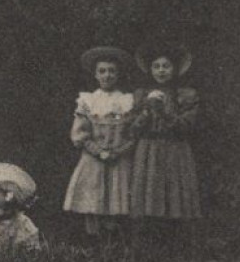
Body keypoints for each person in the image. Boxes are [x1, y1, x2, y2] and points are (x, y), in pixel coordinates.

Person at [128, 44, 203, 240]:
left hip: (175, 149)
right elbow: (132, 128)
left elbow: (187, 126)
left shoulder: (185, 95)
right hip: (148, 149)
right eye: (156, 66)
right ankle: (148, 243)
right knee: (148, 192)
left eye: (166, 66)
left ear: (175, 69)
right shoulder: (140, 95)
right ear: (150, 70)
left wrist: (163, 113)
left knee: (175, 192)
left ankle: (176, 242)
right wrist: (146, 110)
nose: (161, 70)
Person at [63, 46, 137, 238]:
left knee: (117, 201)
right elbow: (79, 134)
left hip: (119, 160)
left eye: (112, 71)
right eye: (102, 71)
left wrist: (119, 151)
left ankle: (114, 247)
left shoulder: (128, 100)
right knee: (93, 201)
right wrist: (98, 151)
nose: (107, 75)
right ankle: (94, 245)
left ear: (119, 74)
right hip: (93, 159)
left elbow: (133, 134)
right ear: (95, 75)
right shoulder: (88, 100)